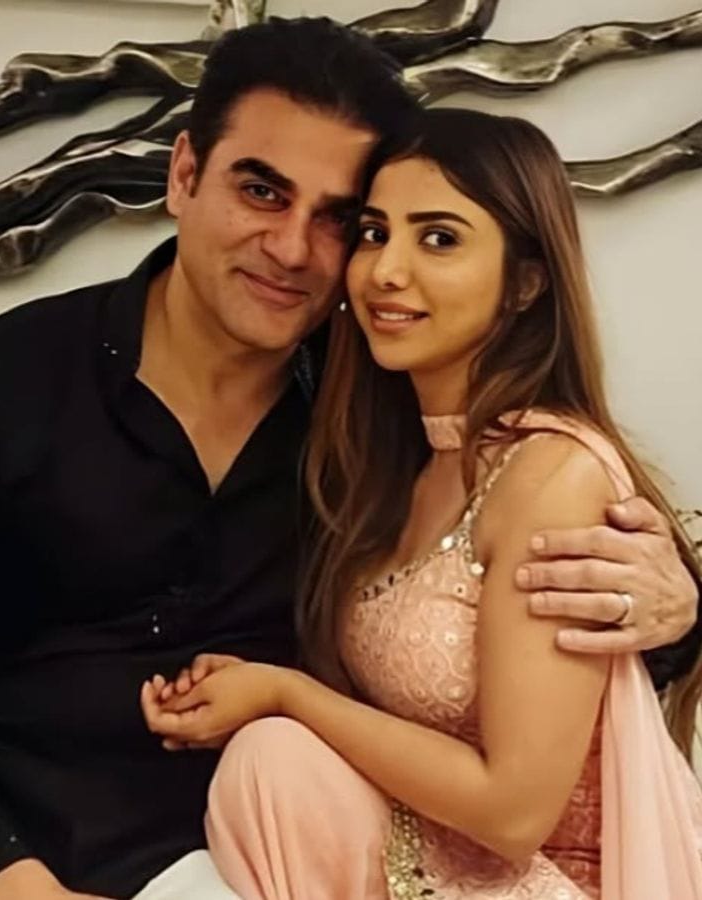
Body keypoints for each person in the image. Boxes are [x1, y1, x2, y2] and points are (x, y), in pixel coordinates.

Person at [0, 18, 701, 900]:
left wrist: (675, 611)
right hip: (46, 864)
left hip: (318, 859)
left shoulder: (385, 413)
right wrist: (4, 885)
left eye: (338, 220)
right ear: (184, 175)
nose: (292, 249)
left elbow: (543, 637)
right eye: (262, 192)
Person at [142, 106, 702, 899]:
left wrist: (285, 694)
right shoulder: (397, 455)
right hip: (431, 855)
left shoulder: (551, 475)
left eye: (438, 239)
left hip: (546, 877)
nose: (385, 271)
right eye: (374, 234)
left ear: (525, 283)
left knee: (276, 758)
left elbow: (515, 812)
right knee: (270, 767)